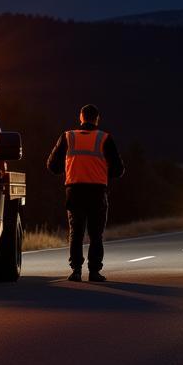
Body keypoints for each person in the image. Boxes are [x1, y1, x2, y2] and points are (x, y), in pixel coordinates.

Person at [46, 104, 125, 282]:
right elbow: (119, 170)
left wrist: (68, 169)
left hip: (74, 191)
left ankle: (76, 271)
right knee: (96, 234)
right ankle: (94, 272)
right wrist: (103, 172)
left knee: (76, 232)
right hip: (97, 191)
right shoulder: (105, 138)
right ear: (97, 119)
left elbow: (52, 166)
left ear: (80, 117)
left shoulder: (68, 137)